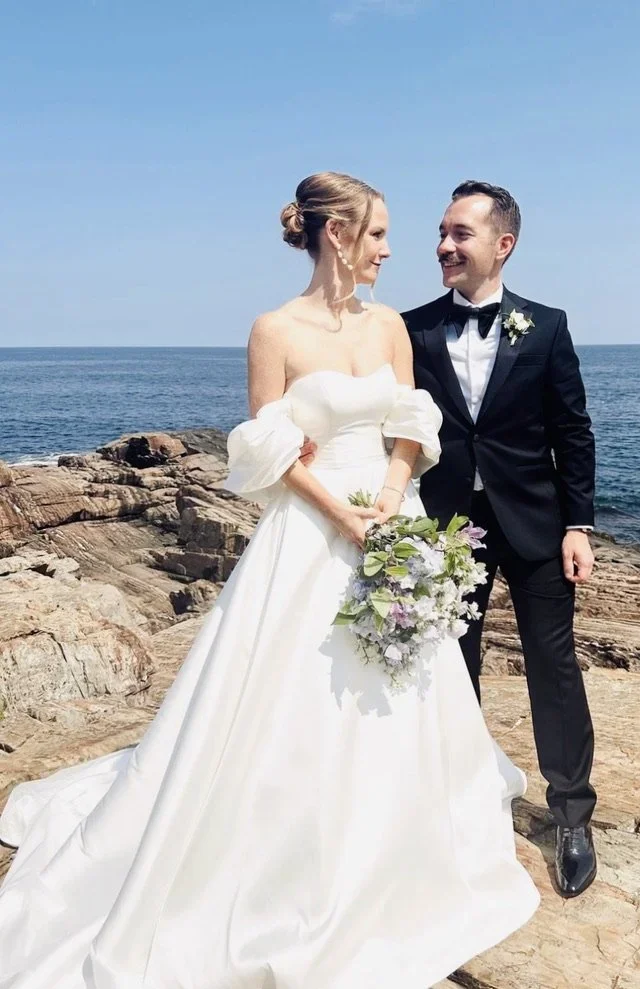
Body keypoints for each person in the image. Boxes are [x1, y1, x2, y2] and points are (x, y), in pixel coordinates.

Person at [0, 172, 539, 989]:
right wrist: (341, 514)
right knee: (286, 699)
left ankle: (399, 833)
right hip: (311, 533)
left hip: (387, 517)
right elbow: (265, 451)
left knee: (402, 681)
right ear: (337, 235)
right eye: (381, 234)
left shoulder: (390, 324)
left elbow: (411, 423)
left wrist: (389, 502)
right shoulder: (273, 330)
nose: (394, 250)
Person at [401, 180, 598, 899]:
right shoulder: (412, 328)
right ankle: (456, 800)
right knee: (453, 662)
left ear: (502, 244)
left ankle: (572, 815)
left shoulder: (546, 325)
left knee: (554, 664)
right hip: (450, 526)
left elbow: (572, 431)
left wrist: (579, 525)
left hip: (539, 526)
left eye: (460, 233)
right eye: (443, 233)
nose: (444, 246)